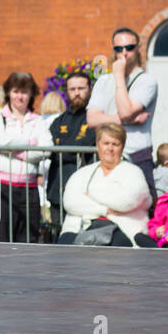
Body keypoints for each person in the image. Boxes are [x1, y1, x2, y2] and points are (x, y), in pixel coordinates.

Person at [87, 27, 159, 208]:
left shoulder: (146, 80)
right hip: (109, 153)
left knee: (143, 208)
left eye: (129, 47)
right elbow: (92, 120)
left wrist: (119, 75)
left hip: (137, 154)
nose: (124, 53)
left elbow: (125, 110)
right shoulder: (103, 81)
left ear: (138, 48)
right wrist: (125, 120)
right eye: (118, 49)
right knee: (107, 207)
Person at [57, 123, 153, 246]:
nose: (110, 149)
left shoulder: (134, 173)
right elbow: (70, 202)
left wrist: (91, 194)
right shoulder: (82, 173)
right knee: (64, 247)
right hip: (81, 227)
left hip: (121, 229)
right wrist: (104, 209)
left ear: (122, 147)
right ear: (98, 145)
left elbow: (126, 201)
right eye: (106, 143)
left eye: (115, 144)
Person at [0, 72, 48, 242]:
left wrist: (11, 149)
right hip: (0, 187)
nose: (20, 96)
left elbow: (46, 149)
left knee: (28, 242)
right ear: (8, 93)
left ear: (31, 94)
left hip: (29, 188)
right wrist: (31, 141)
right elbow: (0, 142)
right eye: (15, 91)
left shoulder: (38, 120)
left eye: (24, 92)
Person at [43, 71, 95, 232]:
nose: (77, 93)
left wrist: (66, 148)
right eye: (72, 89)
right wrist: (73, 149)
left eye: (81, 88)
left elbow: (88, 143)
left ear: (90, 89)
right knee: (58, 236)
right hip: (57, 189)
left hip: (85, 192)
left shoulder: (95, 118)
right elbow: (51, 147)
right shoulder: (58, 121)